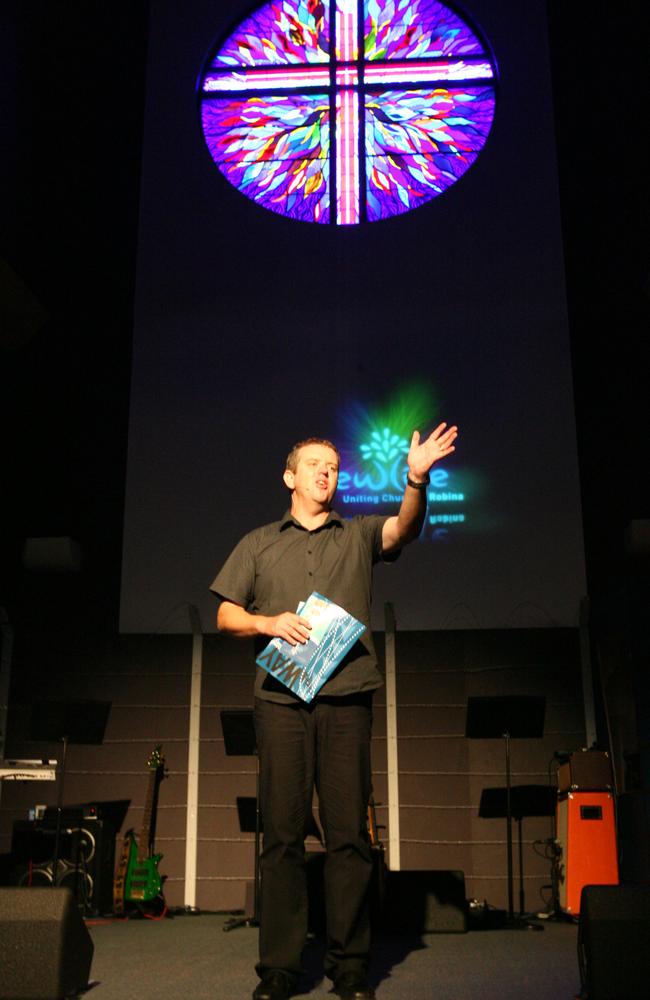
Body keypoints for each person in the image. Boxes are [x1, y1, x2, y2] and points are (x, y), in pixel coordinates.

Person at [210, 423, 458, 1000]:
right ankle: (279, 968)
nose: (328, 472)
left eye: (334, 466)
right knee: (282, 836)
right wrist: (267, 622)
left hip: (347, 699)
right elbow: (224, 615)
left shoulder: (359, 534)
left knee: (348, 836)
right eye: (316, 464)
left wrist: (415, 479)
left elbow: (403, 529)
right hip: (280, 703)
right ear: (289, 477)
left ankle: (350, 964)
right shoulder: (258, 542)